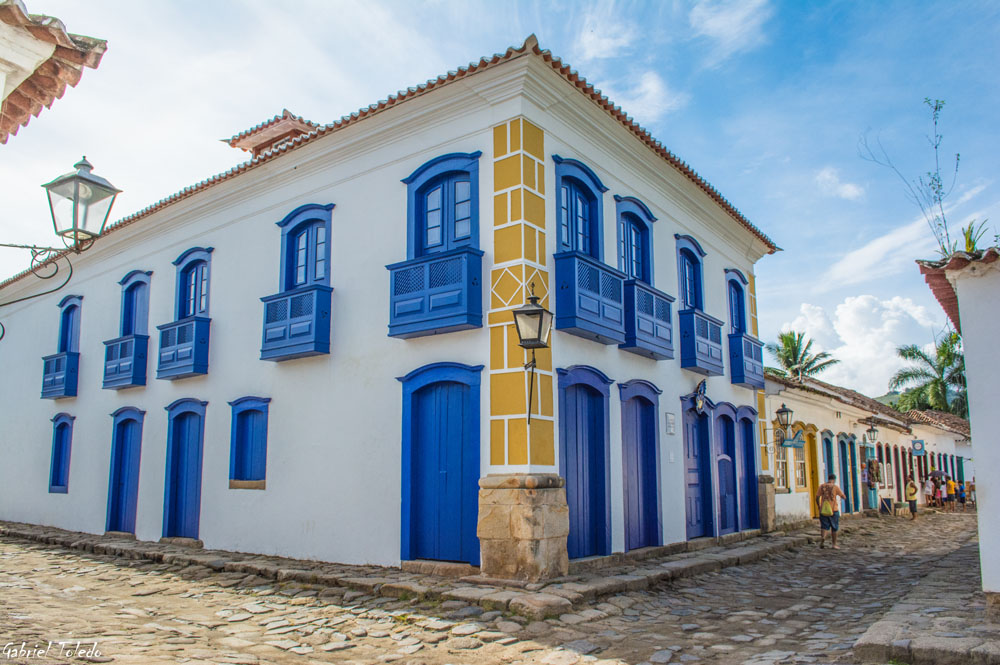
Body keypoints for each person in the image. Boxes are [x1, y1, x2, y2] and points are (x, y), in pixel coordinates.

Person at [816, 474, 848, 549]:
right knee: (834, 527)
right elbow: (843, 496)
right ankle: (834, 544)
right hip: (833, 510)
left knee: (824, 526)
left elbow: (817, 497)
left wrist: (819, 506)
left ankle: (823, 537)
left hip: (824, 510)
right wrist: (843, 497)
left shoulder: (821, 486)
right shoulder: (835, 487)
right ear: (834, 480)